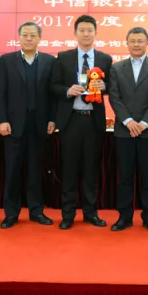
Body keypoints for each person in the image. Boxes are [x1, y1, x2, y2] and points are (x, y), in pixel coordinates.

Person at [50, 14, 112, 230]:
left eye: (90, 30)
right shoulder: (63, 57)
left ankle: (90, 213)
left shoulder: (105, 59)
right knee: (69, 169)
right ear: (75, 33)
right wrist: (68, 90)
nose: (86, 34)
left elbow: (112, 86)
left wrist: (105, 87)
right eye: (82, 30)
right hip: (71, 121)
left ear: (96, 33)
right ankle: (68, 214)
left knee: (90, 169)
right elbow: (53, 86)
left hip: (93, 121)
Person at [0, 22, 56, 229]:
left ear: (39, 38)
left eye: (33, 35)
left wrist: (53, 119)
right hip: (13, 125)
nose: (29, 39)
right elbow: (0, 92)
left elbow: (52, 95)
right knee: (12, 171)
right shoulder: (6, 60)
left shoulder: (49, 61)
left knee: (36, 170)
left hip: (39, 125)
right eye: (25, 35)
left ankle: (36, 211)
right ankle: (11, 214)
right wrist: (2, 120)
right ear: (19, 37)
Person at [108, 27, 148, 233]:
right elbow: (114, 97)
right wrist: (128, 121)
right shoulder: (116, 68)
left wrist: (144, 123)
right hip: (124, 131)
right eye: (132, 41)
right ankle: (124, 216)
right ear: (127, 43)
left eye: (140, 41)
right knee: (124, 176)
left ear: (147, 43)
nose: (136, 44)